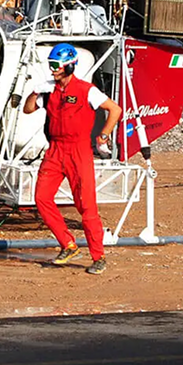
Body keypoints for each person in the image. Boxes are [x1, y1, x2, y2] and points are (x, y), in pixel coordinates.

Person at [22, 43, 122, 274]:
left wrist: (104, 135)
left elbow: (114, 110)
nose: (53, 69)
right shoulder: (49, 91)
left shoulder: (87, 90)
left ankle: (98, 257)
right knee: (41, 198)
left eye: (56, 65)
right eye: (51, 65)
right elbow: (27, 109)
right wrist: (35, 91)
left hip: (79, 152)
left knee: (86, 207)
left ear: (69, 66)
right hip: (55, 150)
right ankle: (68, 243)